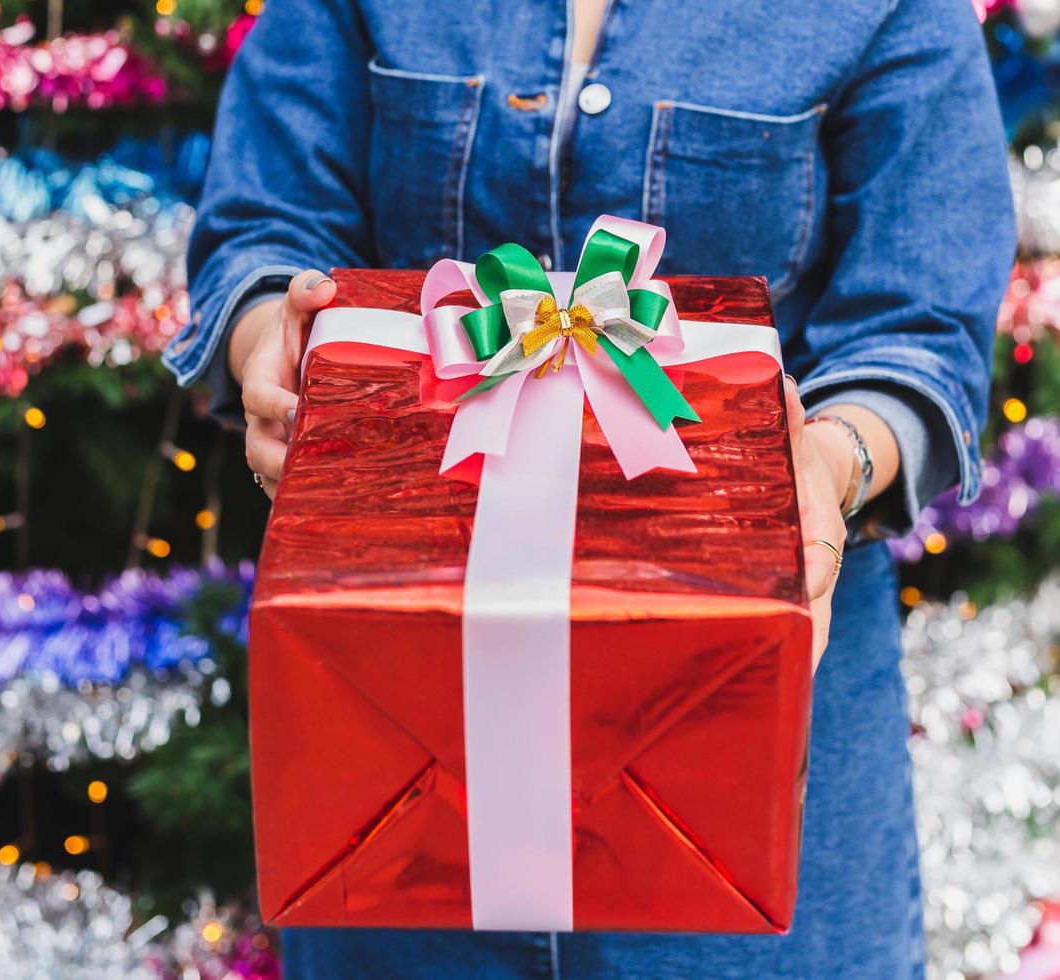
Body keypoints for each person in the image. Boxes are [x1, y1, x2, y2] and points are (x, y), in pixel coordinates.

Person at [163, 0, 1015, 975]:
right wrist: (270, 331)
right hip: (396, 706)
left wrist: (825, 461)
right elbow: (267, 221)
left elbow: (920, 327)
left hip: (761, 728)